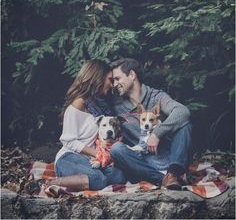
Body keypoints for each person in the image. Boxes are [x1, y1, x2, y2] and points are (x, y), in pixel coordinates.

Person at [110, 58, 192, 190]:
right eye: (113, 80)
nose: (114, 84)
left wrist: (157, 134)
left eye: (117, 79)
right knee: (116, 149)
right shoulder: (117, 106)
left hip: (170, 157)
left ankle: (173, 174)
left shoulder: (156, 96)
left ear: (132, 75)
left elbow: (182, 111)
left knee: (185, 125)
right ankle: (166, 180)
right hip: (144, 162)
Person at [46, 59, 127, 192]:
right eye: (109, 80)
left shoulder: (100, 105)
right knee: (98, 179)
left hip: (92, 160)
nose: (112, 84)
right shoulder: (79, 103)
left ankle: (86, 178)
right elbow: (68, 141)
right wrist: (97, 153)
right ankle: (50, 183)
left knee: (119, 176)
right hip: (69, 157)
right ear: (98, 78)